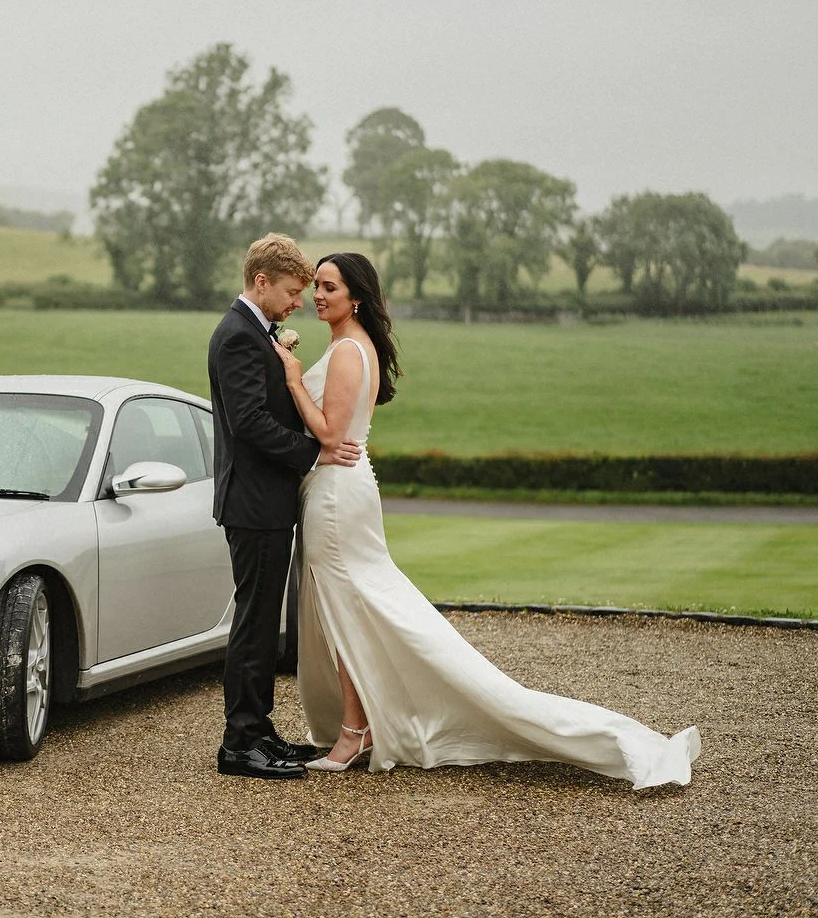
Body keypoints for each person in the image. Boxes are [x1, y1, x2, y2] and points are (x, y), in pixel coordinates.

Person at [273, 251, 701, 788]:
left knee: (350, 610)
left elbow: (332, 435)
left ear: (355, 296)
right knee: (354, 610)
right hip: (345, 489)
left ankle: (357, 730)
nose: (317, 295)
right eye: (316, 286)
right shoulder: (355, 345)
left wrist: (293, 380)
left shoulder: (346, 352)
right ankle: (359, 725)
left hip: (338, 495)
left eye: (329, 287)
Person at [207, 234, 362, 780]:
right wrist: (314, 451)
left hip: (266, 501)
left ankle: (260, 731)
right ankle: (239, 744)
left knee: (262, 620)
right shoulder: (237, 337)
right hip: (253, 503)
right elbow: (248, 422)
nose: (299, 302)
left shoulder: (254, 332)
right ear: (262, 282)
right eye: (293, 292)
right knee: (253, 624)